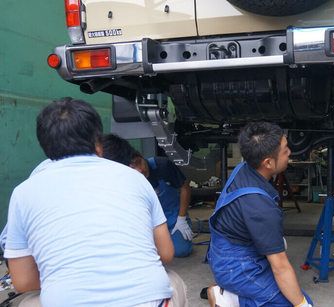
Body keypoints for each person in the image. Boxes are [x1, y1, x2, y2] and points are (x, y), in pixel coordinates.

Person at [4, 97, 188, 306]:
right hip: (148, 302)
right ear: (98, 144)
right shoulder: (135, 177)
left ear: (45, 146)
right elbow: (166, 253)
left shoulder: (23, 193)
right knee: (172, 279)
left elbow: (23, 281)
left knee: (27, 302)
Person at [207, 122, 313, 307]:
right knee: (293, 303)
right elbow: (280, 266)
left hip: (224, 251)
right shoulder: (260, 206)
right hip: (235, 266)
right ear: (268, 163)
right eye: (285, 150)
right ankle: (230, 298)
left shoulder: (243, 168)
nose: (289, 153)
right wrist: (303, 305)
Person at [102, 133, 194, 258]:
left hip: (172, 218)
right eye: (133, 167)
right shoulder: (126, 179)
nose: (140, 169)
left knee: (180, 251)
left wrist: (181, 219)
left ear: (141, 155)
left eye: (139, 162)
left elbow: (185, 188)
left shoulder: (163, 166)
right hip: (147, 222)